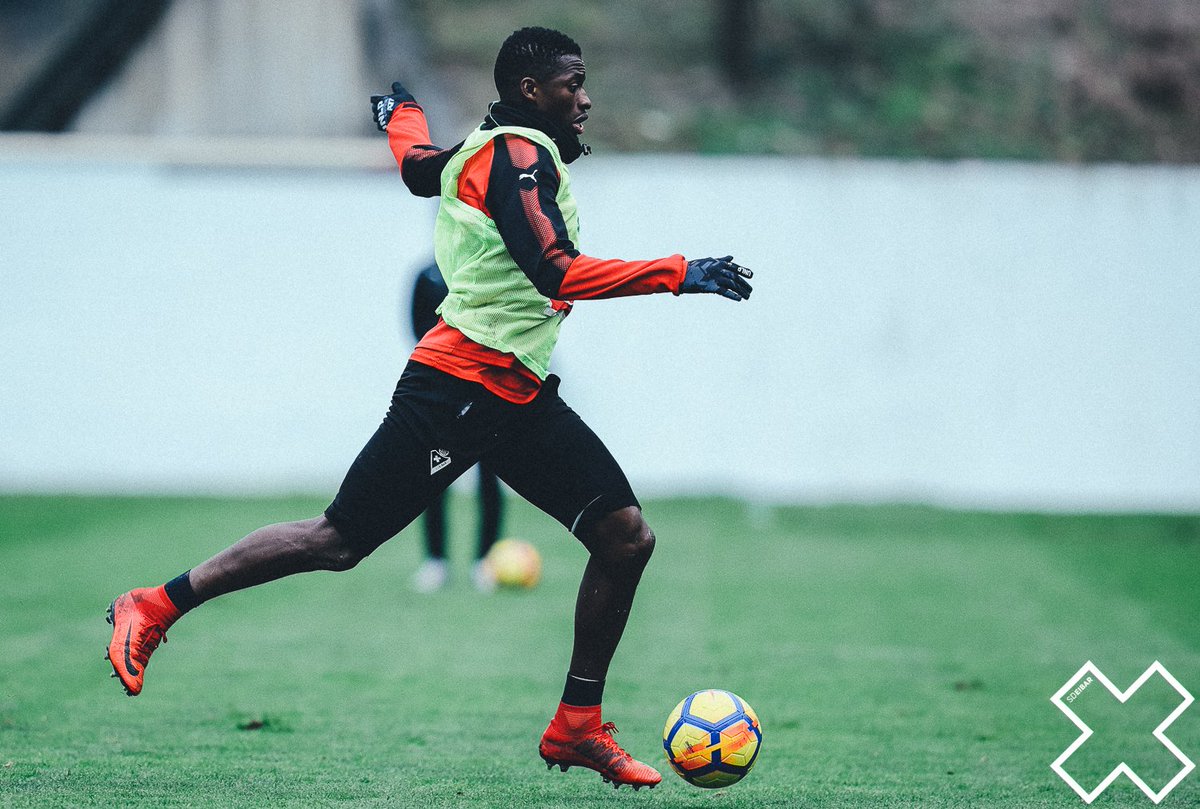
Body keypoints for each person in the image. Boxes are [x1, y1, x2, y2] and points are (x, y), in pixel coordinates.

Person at [105, 26, 752, 790]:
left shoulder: (484, 149)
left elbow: (417, 167)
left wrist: (400, 111)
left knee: (625, 538)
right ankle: (155, 603)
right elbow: (555, 269)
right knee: (338, 539)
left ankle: (576, 724)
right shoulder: (514, 153)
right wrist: (681, 271)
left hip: (517, 392)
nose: (585, 98)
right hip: (456, 390)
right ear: (529, 92)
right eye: (571, 84)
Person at [409, 261, 504, 593]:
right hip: (442, 396)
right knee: (434, 474)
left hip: (488, 392)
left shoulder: (492, 271)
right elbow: (417, 330)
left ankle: (485, 560)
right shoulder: (428, 276)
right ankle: (436, 561)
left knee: (490, 477)